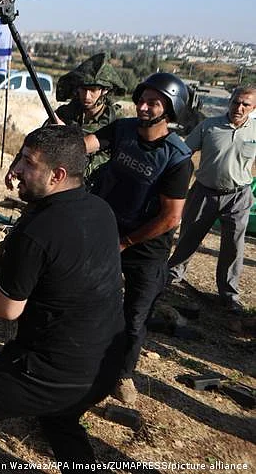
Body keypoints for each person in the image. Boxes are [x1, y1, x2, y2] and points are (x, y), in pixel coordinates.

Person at [0, 125, 126, 474]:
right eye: (20, 158)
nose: (16, 170)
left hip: (54, 373)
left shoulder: (37, 232)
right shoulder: (101, 209)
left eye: (28, 163)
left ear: (57, 175)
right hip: (108, 364)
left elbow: (8, 308)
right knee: (59, 418)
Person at [85, 73, 193, 404]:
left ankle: (123, 374)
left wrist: (127, 243)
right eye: (141, 100)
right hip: (107, 230)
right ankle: (81, 357)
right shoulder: (122, 130)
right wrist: (61, 140)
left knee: (134, 316)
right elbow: (87, 144)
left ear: (170, 110)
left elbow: (170, 217)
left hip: (146, 248)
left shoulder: (177, 158)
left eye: (153, 103)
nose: (143, 107)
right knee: (85, 296)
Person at [168, 85, 256, 314]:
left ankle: (229, 295)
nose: (239, 107)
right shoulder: (209, 126)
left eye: (245, 104)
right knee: (189, 236)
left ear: (253, 107)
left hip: (238, 197)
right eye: (236, 101)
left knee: (233, 247)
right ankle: (172, 276)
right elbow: (184, 152)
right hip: (204, 192)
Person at [5, 54, 125, 189]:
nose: (87, 96)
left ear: (105, 90)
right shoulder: (65, 113)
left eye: (92, 90)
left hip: (97, 189)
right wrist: (16, 165)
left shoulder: (116, 122)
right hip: (63, 184)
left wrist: (67, 135)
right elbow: (37, 141)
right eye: (83, 89)